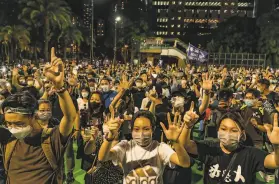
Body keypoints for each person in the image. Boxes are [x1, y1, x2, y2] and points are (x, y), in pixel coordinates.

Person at [0, 47, 76, 184]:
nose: (12, 128)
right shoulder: (7, 139)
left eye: (19, 124)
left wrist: (59, 86)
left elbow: (70, 117)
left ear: (34, 116)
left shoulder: (51, 139)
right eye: (8, 124)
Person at [183, 108, 279, 184]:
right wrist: (187, 127)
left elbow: (275, 161)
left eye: (234, 131)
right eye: (223, 129)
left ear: (242, 134)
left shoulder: (250, 154)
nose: (227, 134)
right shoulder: (210, 148)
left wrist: (276, 145)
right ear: (218, 130)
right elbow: (186, 145)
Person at [98, 110, 191, 184]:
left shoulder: (160, 148)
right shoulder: (125, 146)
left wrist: (176, 142)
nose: (141, 134)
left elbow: (185, 163)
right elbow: (102, 157)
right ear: (131, 130)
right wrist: (109, 137)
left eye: (146, 129)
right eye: (136, 129)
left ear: (153, 130)